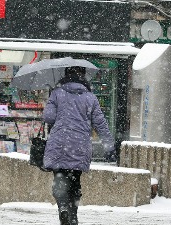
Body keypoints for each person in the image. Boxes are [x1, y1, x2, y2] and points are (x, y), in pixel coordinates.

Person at [42, 66, 115, 225]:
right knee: (75, 181)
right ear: (83, 77)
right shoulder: (91, 98)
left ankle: (63, 208)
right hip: (80, 145)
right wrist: (109, 146)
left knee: (60, 178)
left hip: (60, 143)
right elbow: (100, 124)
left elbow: (48, 117)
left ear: (66, 75)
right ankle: (73, 216)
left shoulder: (57, 93)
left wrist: (55, 103)